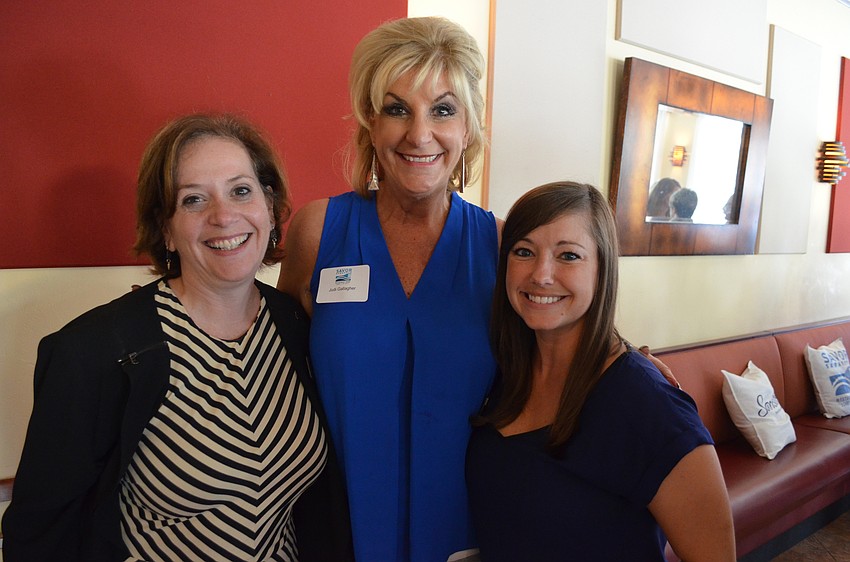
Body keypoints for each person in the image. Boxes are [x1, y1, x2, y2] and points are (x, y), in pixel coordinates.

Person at [2, 114, 353, 561]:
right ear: (165, 229)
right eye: (192, 200)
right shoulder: (94, 352)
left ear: (269, 205)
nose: (224, 216)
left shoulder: (300, 327)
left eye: (241, 191)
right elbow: (40, 535)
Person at [277, 16, 497, 561]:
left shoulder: (499, 244)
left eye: (443, 110)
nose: (419, 134)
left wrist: (623, 359)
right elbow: (273, 362)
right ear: (370, 124)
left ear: (467, 126)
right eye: (397, 109)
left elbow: (555, 348)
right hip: (335, 525)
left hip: (466, 530)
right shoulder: (317, 230)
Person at [465, 181, 735, 561]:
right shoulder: (503, 373)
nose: (541, 274)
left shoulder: (649, 406)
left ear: (602, 268)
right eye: (524, 251)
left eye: (568, 256)